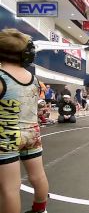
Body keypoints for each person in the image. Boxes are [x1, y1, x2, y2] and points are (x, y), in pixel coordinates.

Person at [0, 28, 49, 213]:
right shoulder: (34, 79)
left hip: (7, 135)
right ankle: (40, 209)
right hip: (32, 133)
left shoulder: (2, 76)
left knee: (9, 189)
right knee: (38, 176)